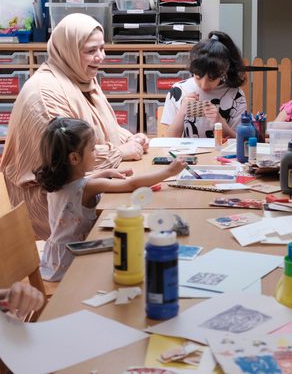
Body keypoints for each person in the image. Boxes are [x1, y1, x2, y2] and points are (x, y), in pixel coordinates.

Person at [0, 13, 150, 240]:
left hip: (78, 187)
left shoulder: (78, 76)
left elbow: (96, 124)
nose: (100, 57)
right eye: (91, 51)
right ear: (67, 49)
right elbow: (69, 160)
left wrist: (129, 137)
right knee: (133, 226)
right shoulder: (45, 94)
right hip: (52, 204)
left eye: (102, 48)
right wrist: (120, 151)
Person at [33, 117, 186, 282]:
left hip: (55, 258)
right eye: (92, 149)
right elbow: (132, 184)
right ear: (74, 159)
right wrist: (169, 172)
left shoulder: (56, 182)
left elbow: (83, 181)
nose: (97, 153)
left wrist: (105, 173)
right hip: (74, 261)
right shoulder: (87, 187)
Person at [161, 31, 247, 138]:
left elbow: (239, 142)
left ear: (223, 72)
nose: (204, 85)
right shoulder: (178, 91)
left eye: (211, 79)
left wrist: (220, 123)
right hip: (187, 154)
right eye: (198, 77)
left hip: (220, 154)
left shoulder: (236, 96)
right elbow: (168, 139)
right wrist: (182, 112)